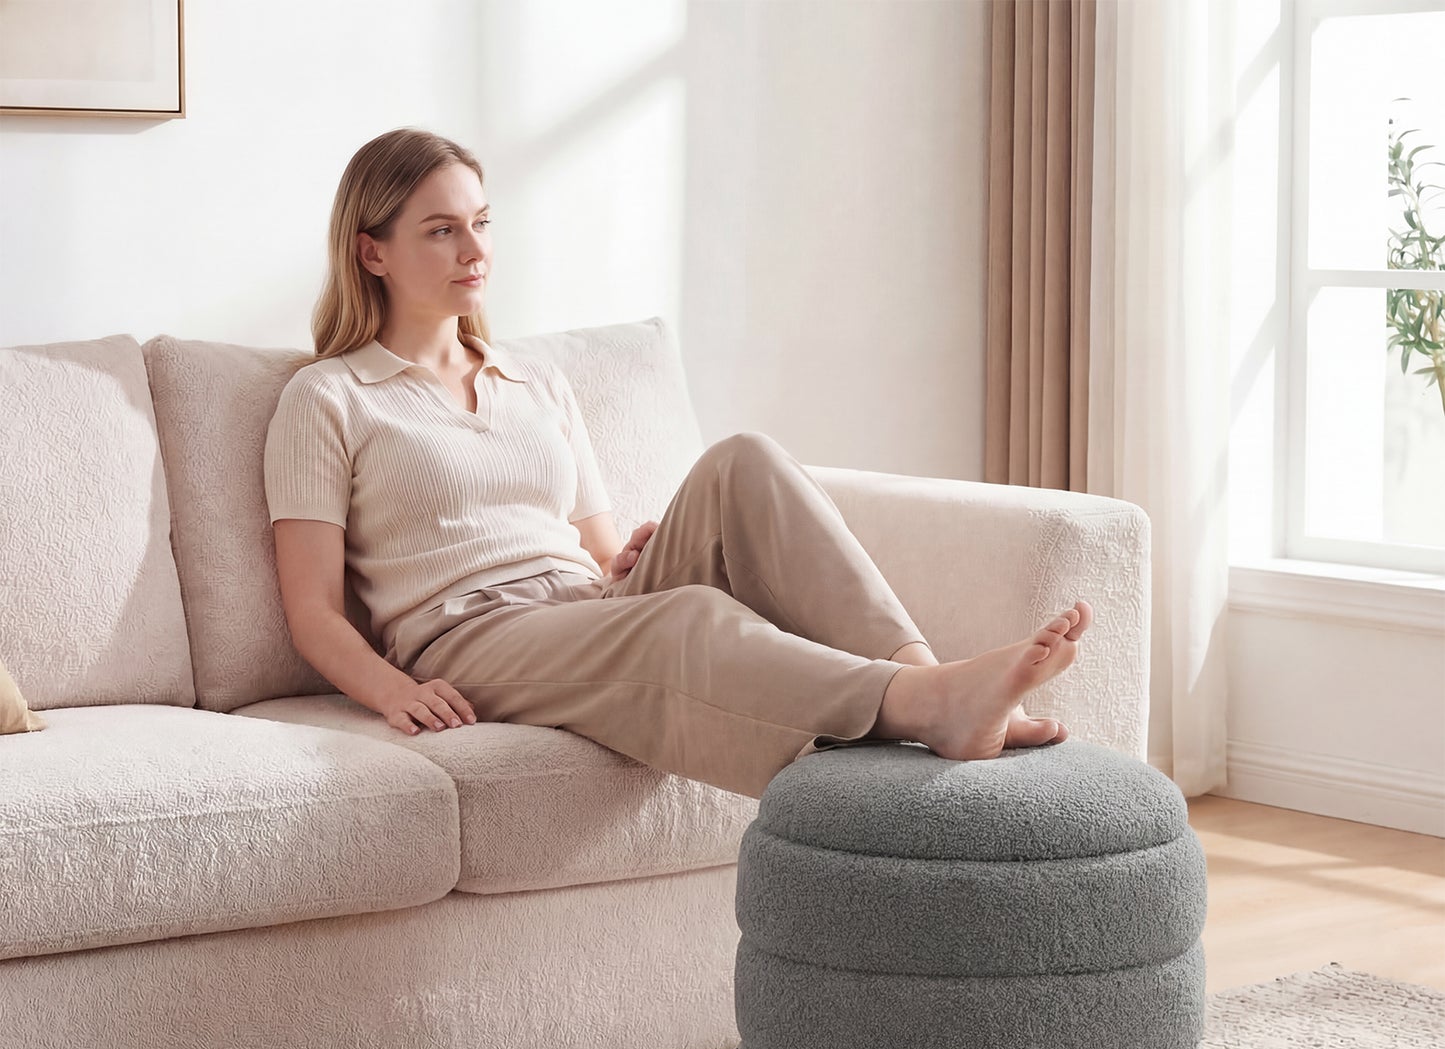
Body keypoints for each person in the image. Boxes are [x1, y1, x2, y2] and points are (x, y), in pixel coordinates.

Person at [263, 127, 1093, 800]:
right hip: (466, 635)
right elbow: (313, 613)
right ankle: (925, 707)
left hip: (581, 607)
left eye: (481, 222)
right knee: (687, 614)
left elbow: (595, 550)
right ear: (372, 252)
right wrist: (390, 691)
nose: (471, 249)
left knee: (744, 461)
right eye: (440, 231)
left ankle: (936, 682)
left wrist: (620, 563)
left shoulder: (533, 376)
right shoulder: (330, 397)